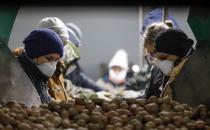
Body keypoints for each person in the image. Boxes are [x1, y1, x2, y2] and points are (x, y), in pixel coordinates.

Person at [15, 28, 64, 104]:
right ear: (34, 54)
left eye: (56, 60)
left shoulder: (39, 75)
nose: (53, 65)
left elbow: (43, 99)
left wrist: (57, 104)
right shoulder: (16, 75)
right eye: (49, 58)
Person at [144, 28, 194, 99]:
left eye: (163, 57)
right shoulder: (156, 71)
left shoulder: (194, 74)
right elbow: (148, 97)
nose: (160, 62)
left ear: (180, 54)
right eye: (155, 57)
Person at [64, 22, 103, 92]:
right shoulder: (58, 64)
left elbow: (81, 79)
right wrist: (84, 92)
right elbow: (64, 86)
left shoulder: (72, 63)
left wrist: (101, 90)